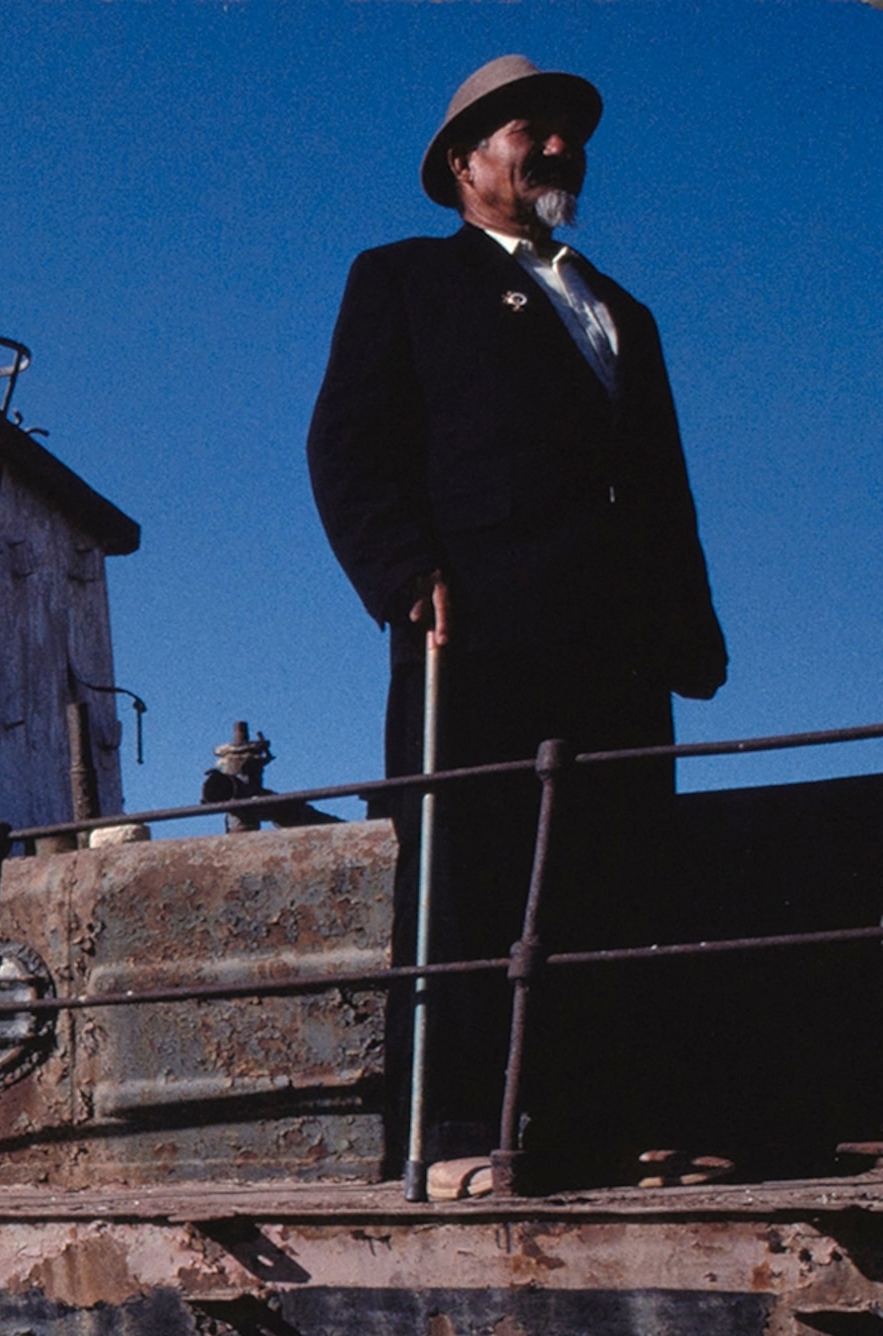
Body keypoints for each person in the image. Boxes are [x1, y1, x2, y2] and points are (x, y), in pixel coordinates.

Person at [307, 54, 727, 1190]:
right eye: (527, 132)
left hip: (618, 641)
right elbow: (347, 448)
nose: (555, 148)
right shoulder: (402, 280)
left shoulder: (620, 309)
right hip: (474, 632)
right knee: (468, 872)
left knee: (622, 874)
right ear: (462, 165)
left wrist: (692, 627)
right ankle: (451, 1138)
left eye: (565, 134)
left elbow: (662, 485)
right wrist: (405, 572)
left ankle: (621, 1125)